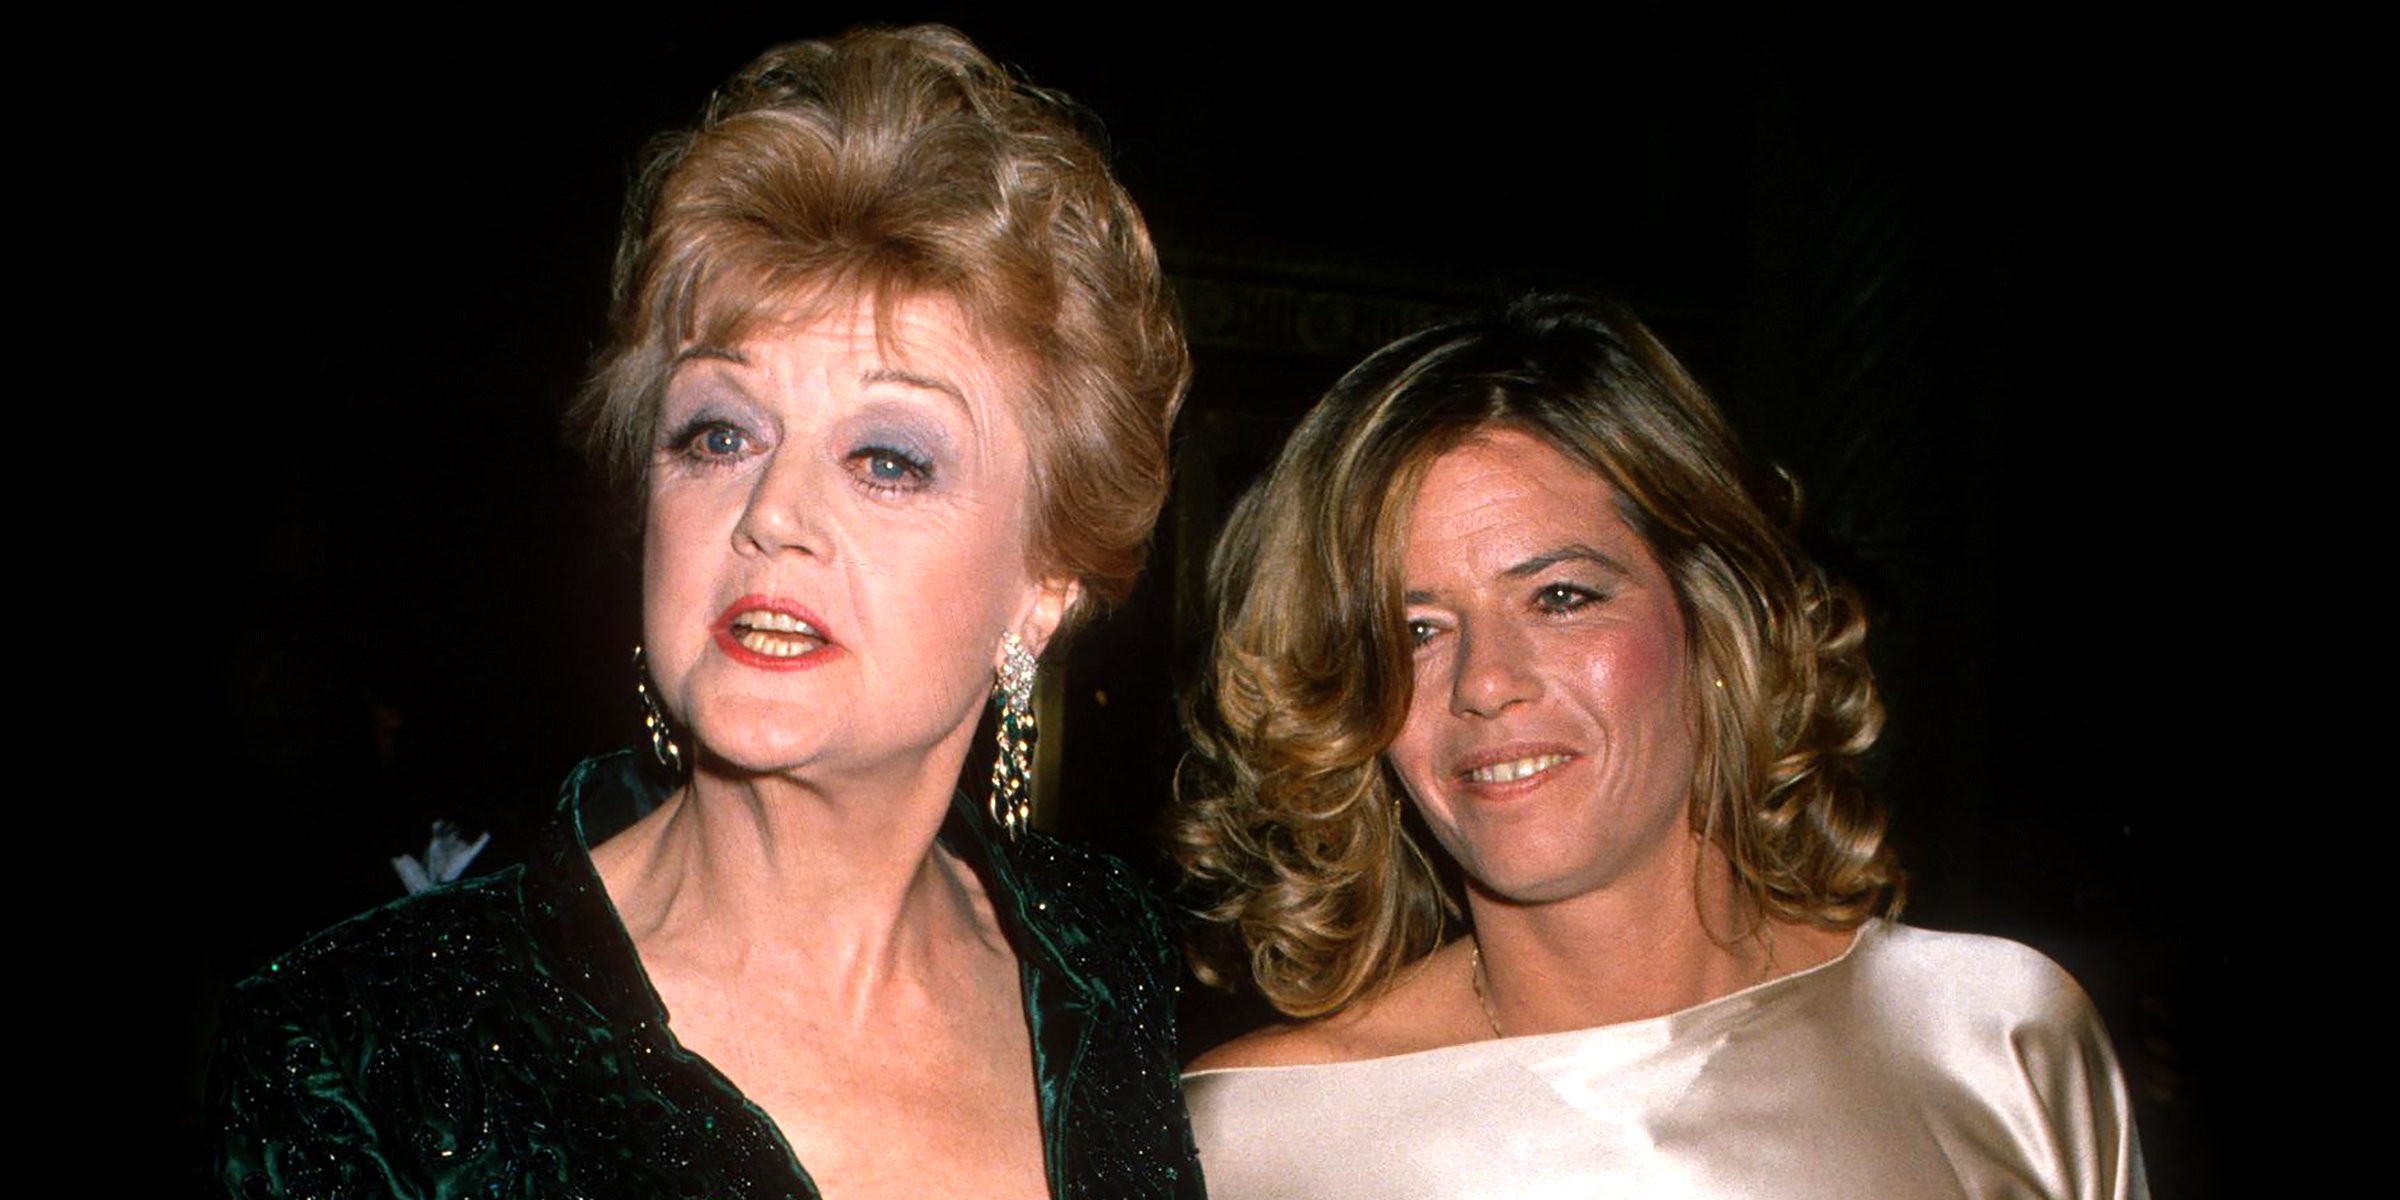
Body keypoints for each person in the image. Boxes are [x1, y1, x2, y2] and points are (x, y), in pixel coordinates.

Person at [208, 26, 1201, 1199]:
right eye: (717, 435)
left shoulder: (1107, 958)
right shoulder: (371, 1050)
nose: (772, 512)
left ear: (1045, 583)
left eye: (887, 458)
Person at [1173, 294, 2144, 1199]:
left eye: (1559, 598)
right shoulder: (1253, 1139)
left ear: (1715, 624)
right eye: (1415, 628)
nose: (1483, 681)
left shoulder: (1995, 1044)